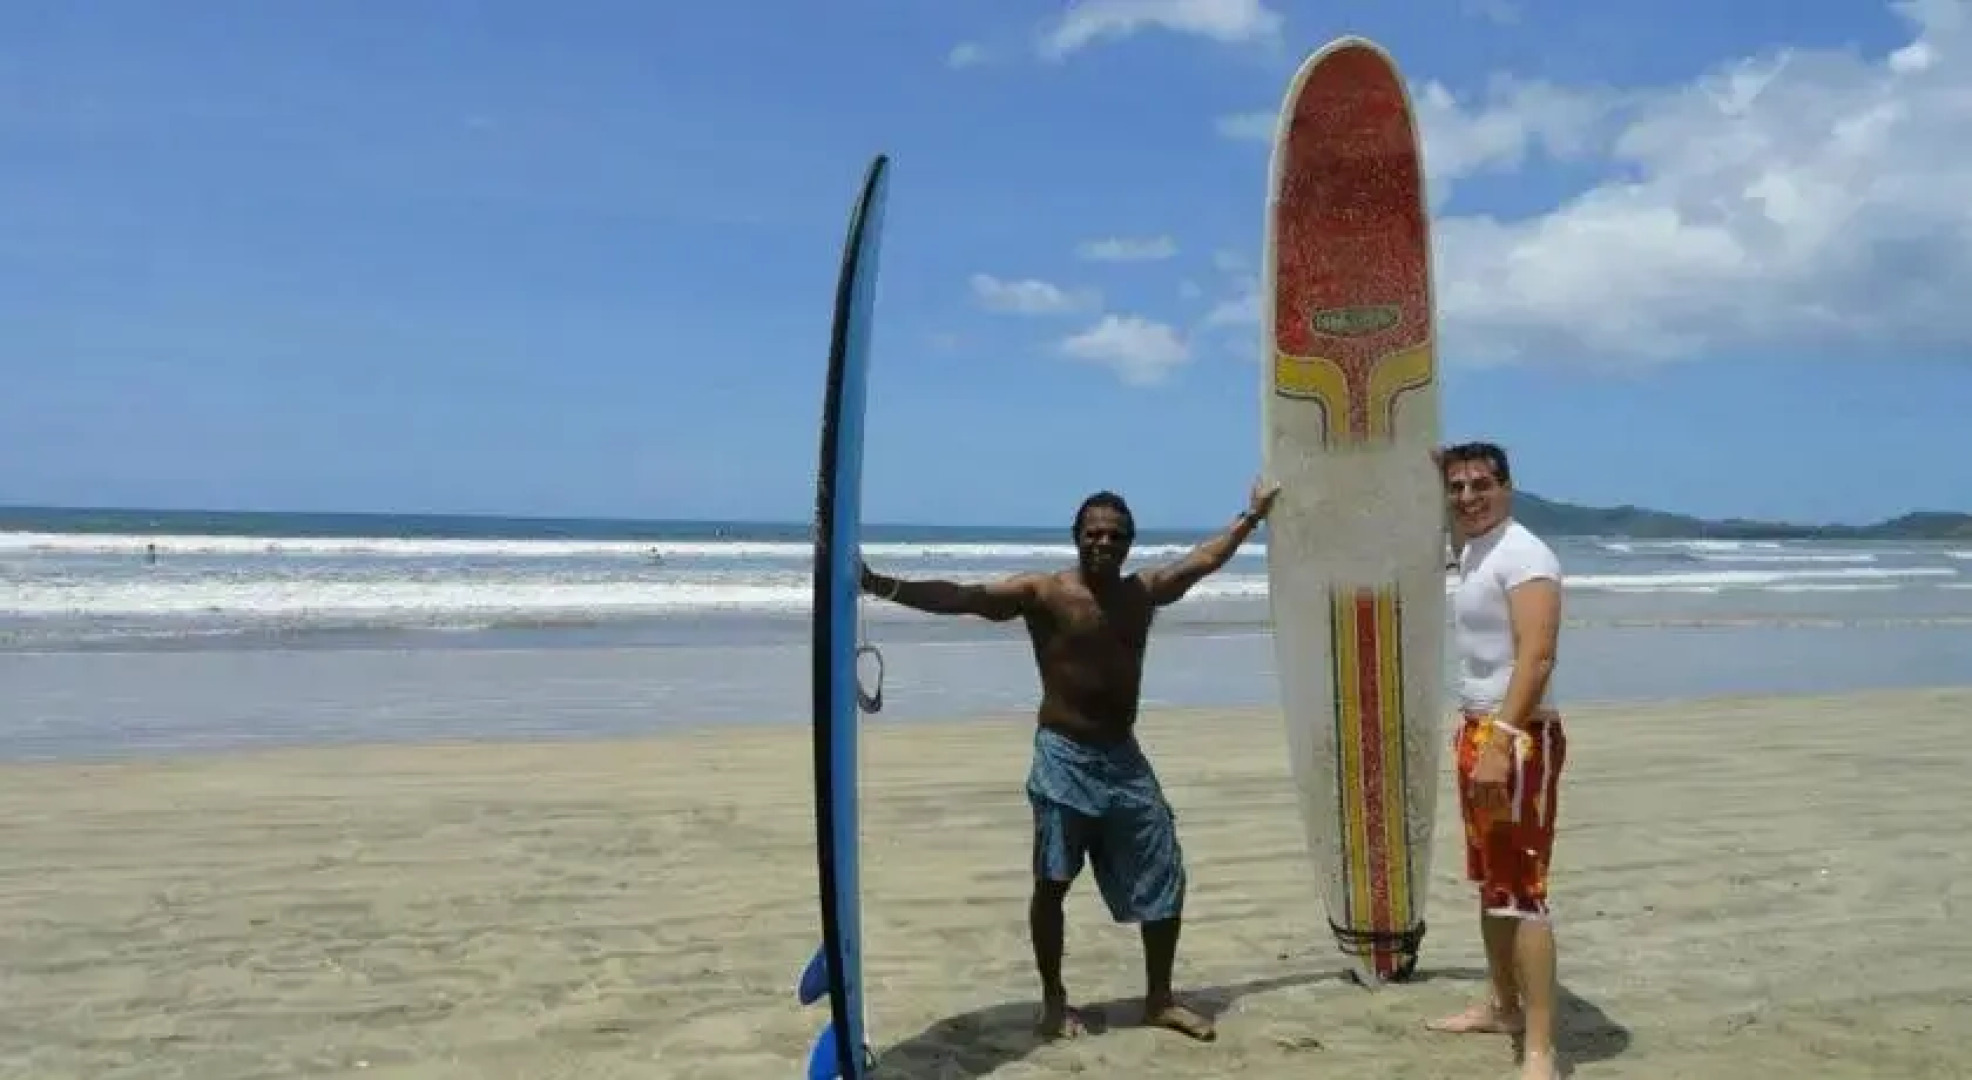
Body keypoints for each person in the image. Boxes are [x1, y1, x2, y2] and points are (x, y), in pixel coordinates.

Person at [860, 478, 1281, 1043]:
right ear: (1077, 538)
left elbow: (1205, 559)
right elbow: (962, 596)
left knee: (1164, 869)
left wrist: (1251, 518)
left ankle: (1159, 998)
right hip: (1063, 757)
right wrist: (878, 585)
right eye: (1093, 533)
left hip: (1124, 758)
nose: (1103, 543)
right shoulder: (1045, 594)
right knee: (1053, 880)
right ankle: (1054, 1002)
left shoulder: (1143, 593)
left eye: (1114, 535)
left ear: (1129, 542)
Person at [1425, 441, 1567, 1080]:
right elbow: (1450, 521)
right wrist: (1432, 469)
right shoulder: (1475, 549)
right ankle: (1502, 1005)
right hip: (1480, 728)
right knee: (1491, 881)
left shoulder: (1525, 555)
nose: (1467, 498)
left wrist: (1503, 741)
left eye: (1481, 485)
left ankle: (1539, 1047)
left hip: (1519, 736)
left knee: (1526, 892)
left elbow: (1537, 657)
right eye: (1456, 488)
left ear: (1508, 487)